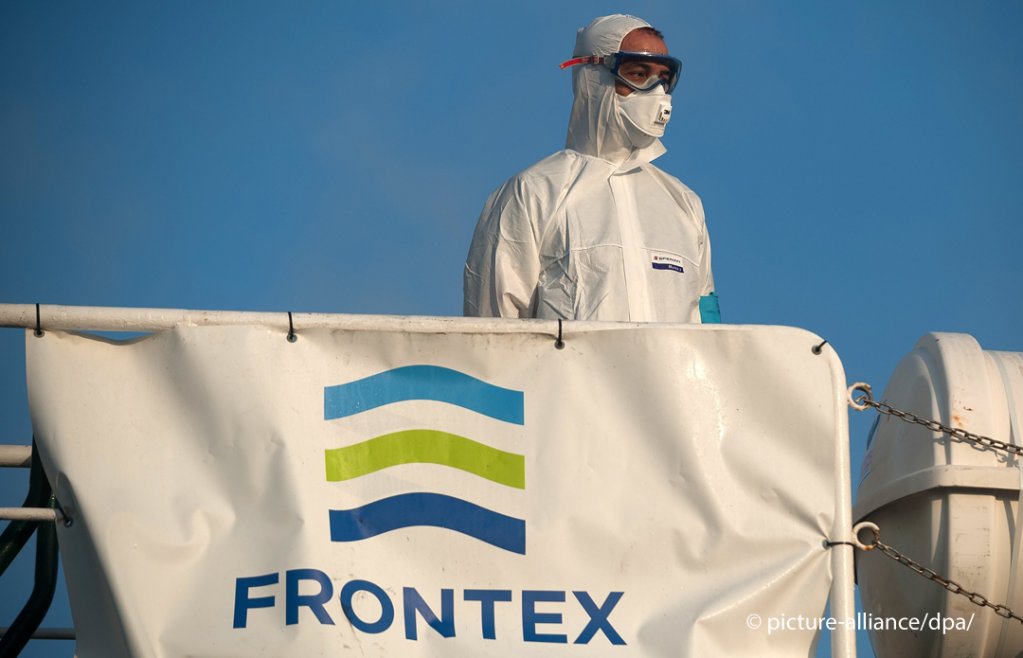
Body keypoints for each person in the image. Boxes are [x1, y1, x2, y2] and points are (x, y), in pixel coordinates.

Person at [463, 14, 719, 323]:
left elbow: (709, 331)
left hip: (667, 373)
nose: (657, 92)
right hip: (572, 372)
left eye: (663, 79)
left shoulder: (684, 205)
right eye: (639, 74)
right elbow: (491, 331)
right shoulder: (534, 193)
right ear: (594, 78)